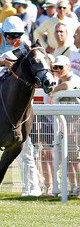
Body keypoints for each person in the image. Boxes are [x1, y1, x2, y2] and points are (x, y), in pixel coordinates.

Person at [50, 55, 80, 196]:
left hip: (75, 122)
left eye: (60, 67)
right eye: (55, 67)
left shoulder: (74, 78)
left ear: (68, 66)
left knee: (75, 157)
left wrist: (53, 87)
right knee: (66, 158)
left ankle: (78, 187)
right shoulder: (57, 80)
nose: (58, 70)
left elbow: (68, 86)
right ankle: (74, 188)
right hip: (62, 124)